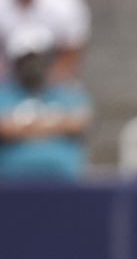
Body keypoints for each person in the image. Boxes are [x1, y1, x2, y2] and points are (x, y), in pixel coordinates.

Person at [0, 22, 90, 180]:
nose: (34, 66)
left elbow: (79, 123)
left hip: (63, 182)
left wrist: (26, 127)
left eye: (40, 58)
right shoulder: (5, 93)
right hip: (11, 185)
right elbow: (5, 129)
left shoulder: (67, 92)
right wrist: (56, 123)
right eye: (27, 59)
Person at [0, 0, 89, 80]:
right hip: (8, 77)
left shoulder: (65, 3)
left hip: (52, 77)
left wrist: (51, 80)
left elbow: (72, 49)